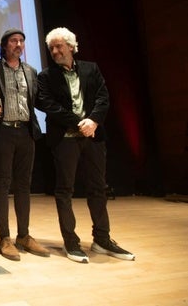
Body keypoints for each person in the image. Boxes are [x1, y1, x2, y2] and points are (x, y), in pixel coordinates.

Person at [37, 27, 135, 263]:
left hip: (92, 136)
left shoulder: (91, 68)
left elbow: (103, 97)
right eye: (52, 47)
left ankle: (102, 239)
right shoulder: (46, 76)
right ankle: (71, 242)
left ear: (71, 46)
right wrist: (79, 122)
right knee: (64, 190)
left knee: (98, 189)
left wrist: (93, 121)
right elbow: (47, 104)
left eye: (59, 46)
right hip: (65, 140)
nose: (55, 51)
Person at [0, 28, 50, 261]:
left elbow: (37, 100)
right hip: (3, 132)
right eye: (13, 41)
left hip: (26, 132)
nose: (18, 44)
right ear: (4, 45)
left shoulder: (30, 71)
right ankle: (5, 237)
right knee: (1, 184)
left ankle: (24, 235)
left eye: (21, 41)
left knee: (24, 185)